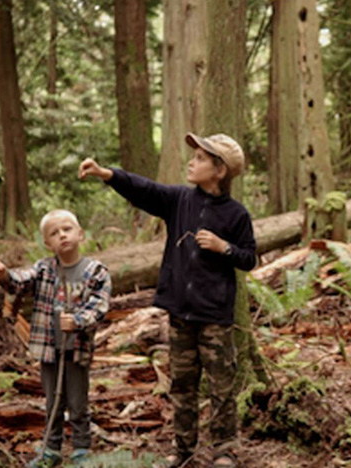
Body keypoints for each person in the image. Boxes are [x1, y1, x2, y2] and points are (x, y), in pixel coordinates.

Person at [78, 133, 256, 468]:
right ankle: (184, 449)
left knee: (221, 386)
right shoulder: (178, 200)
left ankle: (225, 450)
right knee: (182, 385)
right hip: (180, 313)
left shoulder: (236, 214)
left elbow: (249, 258)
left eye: (201, 158)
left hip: (215, 316)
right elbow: (144, 189)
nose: (192, 162)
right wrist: (107, 174)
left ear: (220, 171)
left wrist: (224, 248)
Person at [0, 210, 110, 467]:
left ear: (80, 234)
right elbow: (22, 280)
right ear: (47, 243)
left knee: (77, 401)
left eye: (66, 229)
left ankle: (81, 448)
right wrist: (5, 275)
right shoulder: (44, 269)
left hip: (76, 349)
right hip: (48, 349)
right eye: (54, 233)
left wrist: (77, 321)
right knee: (53, 399)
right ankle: (51, 448)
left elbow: (99, 306)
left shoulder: (95, 271)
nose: (62, 235)